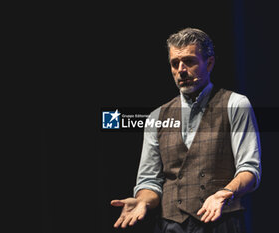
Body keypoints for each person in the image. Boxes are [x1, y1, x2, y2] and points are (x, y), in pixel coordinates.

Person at [111, 28, 261, 233]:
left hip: (220, 222)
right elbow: (150, 180)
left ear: (209, 63)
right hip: (171, 225)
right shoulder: (157, 117)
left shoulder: (235, 104)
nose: (181, 69)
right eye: (175, 63)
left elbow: (249, 169)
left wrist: (224, 193)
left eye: (189, 61)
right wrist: (143, 201)